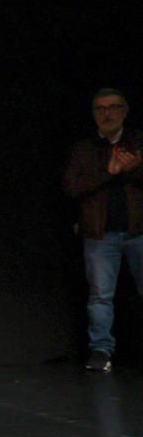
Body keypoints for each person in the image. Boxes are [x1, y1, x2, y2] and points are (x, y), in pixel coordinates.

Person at [62, 88, 143, 373]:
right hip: (100, 234)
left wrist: (134, 169)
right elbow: (71, 188)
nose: (106, 113)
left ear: (125, 110)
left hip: (138, 231)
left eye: (113, 107)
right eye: (100, 108)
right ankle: (101, 350)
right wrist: (109, 172)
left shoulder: (137, 143)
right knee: (100, 295)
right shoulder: (84, 149)